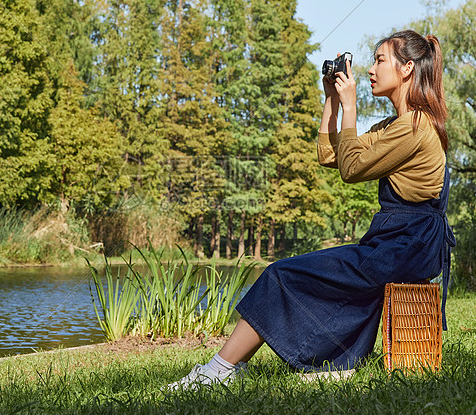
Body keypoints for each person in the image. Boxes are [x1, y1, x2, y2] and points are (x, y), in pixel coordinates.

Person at [167, 29, 456, 390]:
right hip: (398, 244)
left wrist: (350, 107)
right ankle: (337, 362)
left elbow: (351, 171)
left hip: (407, 247)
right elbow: (331, 155)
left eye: (380, 60)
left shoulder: (415, 127)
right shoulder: (396, 126)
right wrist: (332, 101)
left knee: (280, 274)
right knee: (315, 277)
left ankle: (219, 370)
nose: (370, 69)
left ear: (408, 68)